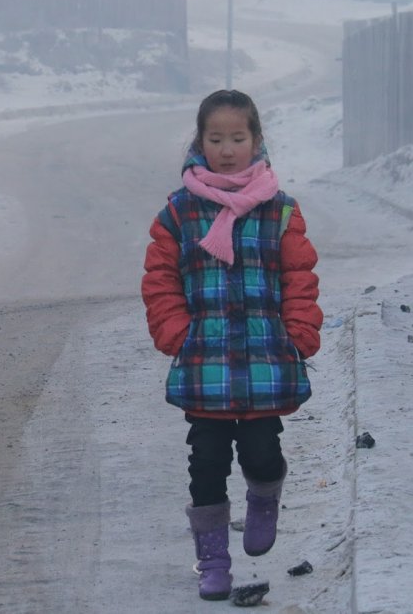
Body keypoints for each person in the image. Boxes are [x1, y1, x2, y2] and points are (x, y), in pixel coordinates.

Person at [141, 89, 323, 601]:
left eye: (237, 138)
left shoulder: (279, 210)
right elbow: (160, 279)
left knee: (263, 452)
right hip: (207, 364)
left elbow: (299, 276)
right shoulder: (178, 214)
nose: (226, 149)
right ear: (200, 142)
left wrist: (300, 331)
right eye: (215, 138)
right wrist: (178, 332)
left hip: (266, 359)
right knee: (207, 462)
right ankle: (213, 561)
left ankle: (265, 498)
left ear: (256, 140)